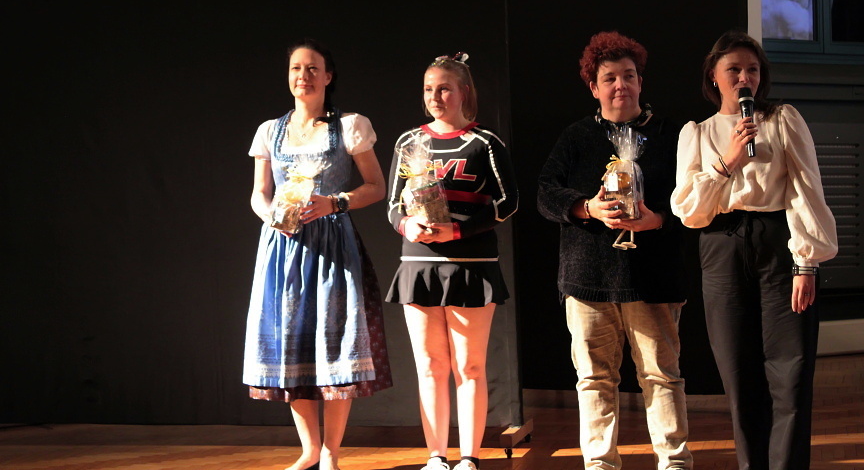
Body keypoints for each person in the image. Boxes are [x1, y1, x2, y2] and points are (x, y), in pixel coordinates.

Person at [670, 30, 838, 470]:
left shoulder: (782, 119)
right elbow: (689, 211)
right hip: (721, 248)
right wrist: (728, 160)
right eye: (734, 69)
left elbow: (806, 190)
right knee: (739, 375)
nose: (745, 78)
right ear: (714, 75)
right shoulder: (698, 133)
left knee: (791, 371)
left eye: (752, 69)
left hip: (779, 242)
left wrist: (807, 263)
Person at [537, 31, 693, 470]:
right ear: (594, 87)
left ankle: (674, 462)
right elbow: (545, 193)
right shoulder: (576, 136)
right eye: (610, 78)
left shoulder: (672, 135)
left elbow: (695, 201)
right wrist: (586, 207)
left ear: (641, 81)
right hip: (587, 281)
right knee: (593, 380)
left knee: (662, 377)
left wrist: (657, 219)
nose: (620, 85)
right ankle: (600, 464)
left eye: (628, 75)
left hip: (653, 279)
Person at [243, 39, 391, 470]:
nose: (303, 76)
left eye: (312, 68)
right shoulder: (269, 131)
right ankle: (309, 450)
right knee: (291, 342)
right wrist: (272, 216)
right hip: (284, 248)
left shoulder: (349, 125)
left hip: (332, 248)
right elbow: (259, 192)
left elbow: (377, 187)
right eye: (296, 68)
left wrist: (334, 202)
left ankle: (331, 452)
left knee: (334, 342)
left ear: (328, 76)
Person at [385, 53, 518, 470]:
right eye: (429, 89)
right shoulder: (408, 143)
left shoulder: (485, 142)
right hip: (418, 265)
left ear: (464, 92)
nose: (435, 96)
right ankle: (436, 457)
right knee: (430, 366)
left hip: (472, 264)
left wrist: (457, 231)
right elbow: (392, 206)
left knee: (470, 366)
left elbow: (508, 202)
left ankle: (469, 458)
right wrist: (408, 225)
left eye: (444, 88)